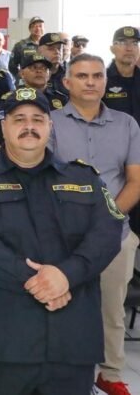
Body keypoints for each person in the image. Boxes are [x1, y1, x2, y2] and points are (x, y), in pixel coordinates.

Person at [0, 87, 122, 394]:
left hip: (71, 342)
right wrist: (40, 281)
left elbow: (107, 234)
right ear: (3, 126)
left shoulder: (83, 178)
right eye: (18, 119)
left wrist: (66, 275)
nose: (28, 126)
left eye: (37, 119)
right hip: (1, 343)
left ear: (50, 125)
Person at [49, 53, 140, 395]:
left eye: (97, 76)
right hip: (63, 234)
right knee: (63, 305)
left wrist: (107, 219)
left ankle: (111, 372)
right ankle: (66, 372)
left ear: (106, 81)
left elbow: (135, 181)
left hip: (116, 233)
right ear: (67, 82)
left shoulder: (127, 124)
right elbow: (44, 179)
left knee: (111, 308)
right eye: (82, 76)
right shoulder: (50, 122)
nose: (91, 82)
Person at [38, 32, 68, 97]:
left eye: (59, 48)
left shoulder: (70, 74)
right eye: (51, 49)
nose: (57, 52)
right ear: (39, 51)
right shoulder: (31, 74)